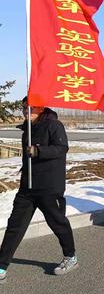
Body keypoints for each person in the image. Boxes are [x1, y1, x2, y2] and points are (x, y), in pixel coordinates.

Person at [0, 98, 77, 280]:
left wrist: (38, 151)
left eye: (30, 108)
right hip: (28, 186)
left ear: (40, 108)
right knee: (15, 225)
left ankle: (71, 256)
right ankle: (2, 265)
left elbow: (61, 148)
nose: (26, 112)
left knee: (57, 222)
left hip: (49, 185)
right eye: (24, 108)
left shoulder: (54, 125)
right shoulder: (27, 128)